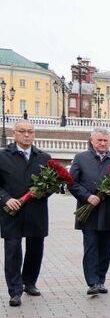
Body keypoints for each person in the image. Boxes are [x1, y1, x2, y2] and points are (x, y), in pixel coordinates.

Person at [69, 127, 110, 296]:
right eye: (99, 140)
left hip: (108, 211)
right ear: (92, 141)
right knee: (91, 248)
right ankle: (92, 282)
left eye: (105, 141)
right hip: (88, 212)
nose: (103, 143)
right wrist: (87, 197)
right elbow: (72, 183)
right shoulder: (80, 158)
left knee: (105, 248)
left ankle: (101, 279)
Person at [0, 121, 50, 307]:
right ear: (14, 133)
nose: (27, 135)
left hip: (36, 211)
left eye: (30, 132)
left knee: (35, 248)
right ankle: (14, 290)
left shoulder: (43, 157)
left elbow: (51, 185)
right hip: (11, 211)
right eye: (22, 131)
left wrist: (44, 192)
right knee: (13, 249)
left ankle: (29, 282)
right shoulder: (3, 156)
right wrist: (5, 198)